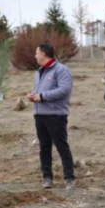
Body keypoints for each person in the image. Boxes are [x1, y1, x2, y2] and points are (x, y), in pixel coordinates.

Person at [27, 43, 75, 190]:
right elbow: (40, 90)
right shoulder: (39, 72)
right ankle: (47, 178)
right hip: (39, 115)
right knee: (44, 147)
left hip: (55, 115)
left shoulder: (61, 70)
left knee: (62, 146)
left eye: (37, 53)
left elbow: (64, 90)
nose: (35, 56)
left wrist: (41, 97)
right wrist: (33, 96)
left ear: (44, 54)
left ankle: (69, 178)